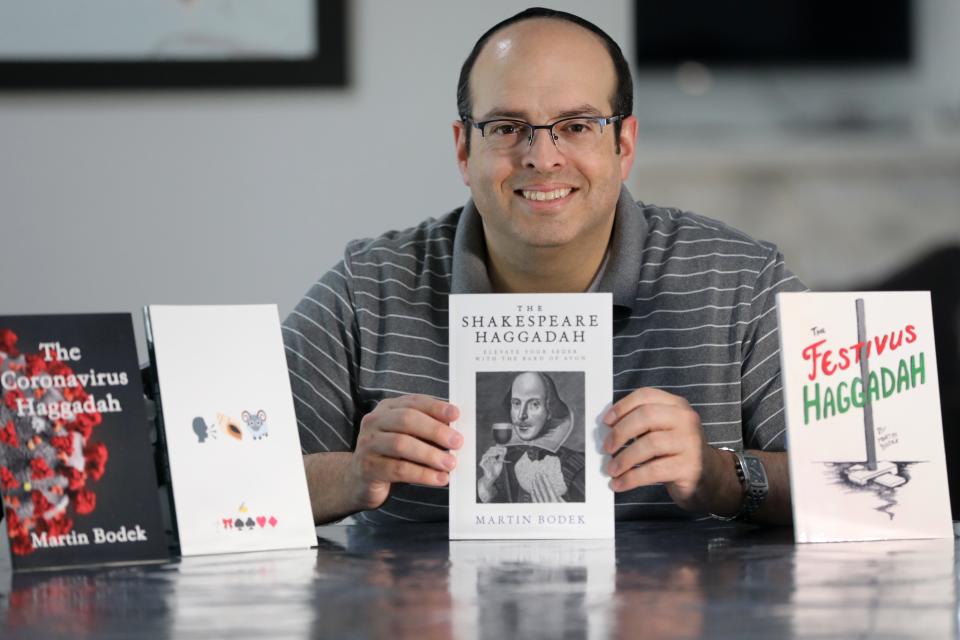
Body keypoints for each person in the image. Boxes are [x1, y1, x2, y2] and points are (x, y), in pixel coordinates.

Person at [283, 8, 804, 526]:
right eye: (508, 127)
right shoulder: (368, 288)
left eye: (576, 126)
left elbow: (866, 482)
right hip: (429, 608)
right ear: (465, 150)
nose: (542, 157)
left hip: (688, 607)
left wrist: (723, 476)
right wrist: (353, 475)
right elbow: (218, 479)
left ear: (623, 146)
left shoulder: (740, 282)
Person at [477, 371, 585, 504]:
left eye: (534, 404)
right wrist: (487, 484)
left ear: (550, 410)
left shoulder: (578, 466)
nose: (522, 415)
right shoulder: (500, 463)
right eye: (516, 403)